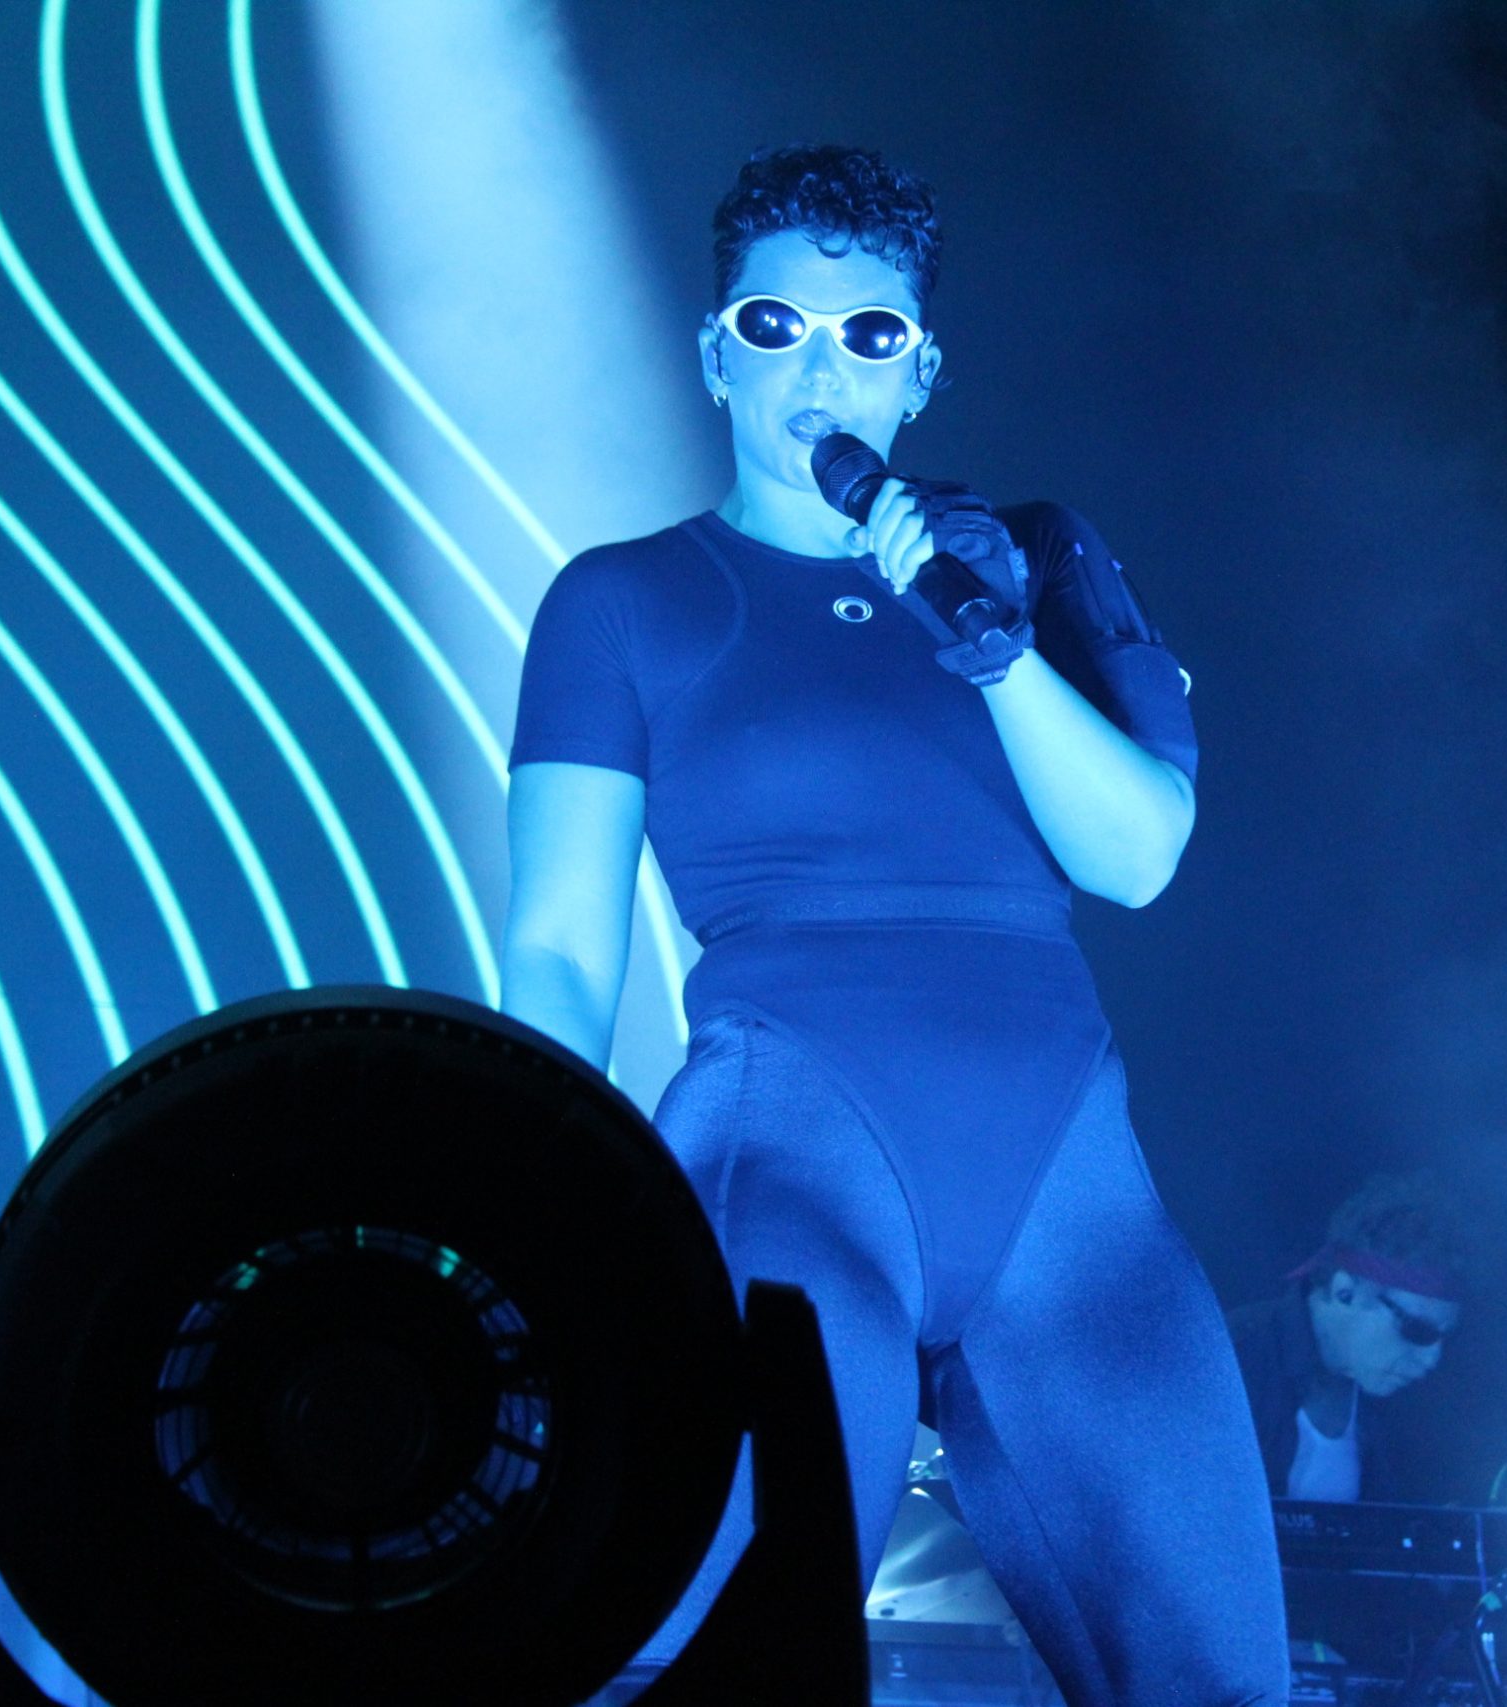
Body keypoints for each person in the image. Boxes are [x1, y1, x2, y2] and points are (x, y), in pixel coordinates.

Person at [502, 144, 1288, 1707]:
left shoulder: (1034, 561)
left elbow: (1139, 855)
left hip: (1068, 1183)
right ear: (715, 351)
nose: (821, 372)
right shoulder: (627, 598)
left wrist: (993, 646)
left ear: (921, 370)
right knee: (745, 1654)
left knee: (1219, 1676)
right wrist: (538, 1206)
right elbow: (563, 948)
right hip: (793, 1148)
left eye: (867, 334)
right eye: (776, 326)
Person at [1228, 1173, 1468, 1504]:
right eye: (1417, 1331)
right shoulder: (1231, 1363)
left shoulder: (1394, 1400)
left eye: (1443, 1337)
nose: (1431, 1358)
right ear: (1345, 1291)